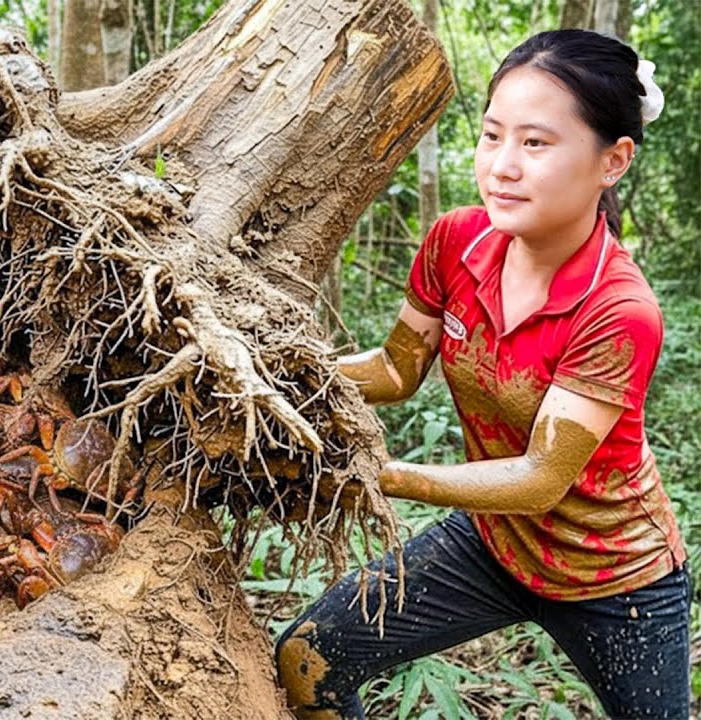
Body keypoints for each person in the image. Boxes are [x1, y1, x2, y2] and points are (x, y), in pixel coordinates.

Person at [275, 29, 690, 719]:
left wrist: (379, 473)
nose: (502, 165)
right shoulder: (455, 241)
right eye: (492, 136)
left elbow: (539, 479)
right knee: (305, 661)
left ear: (613, 160)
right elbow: (396, 368)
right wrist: (281, 374)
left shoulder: (620, 310)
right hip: (492, 544)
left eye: (536, 143)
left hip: (616, 579)